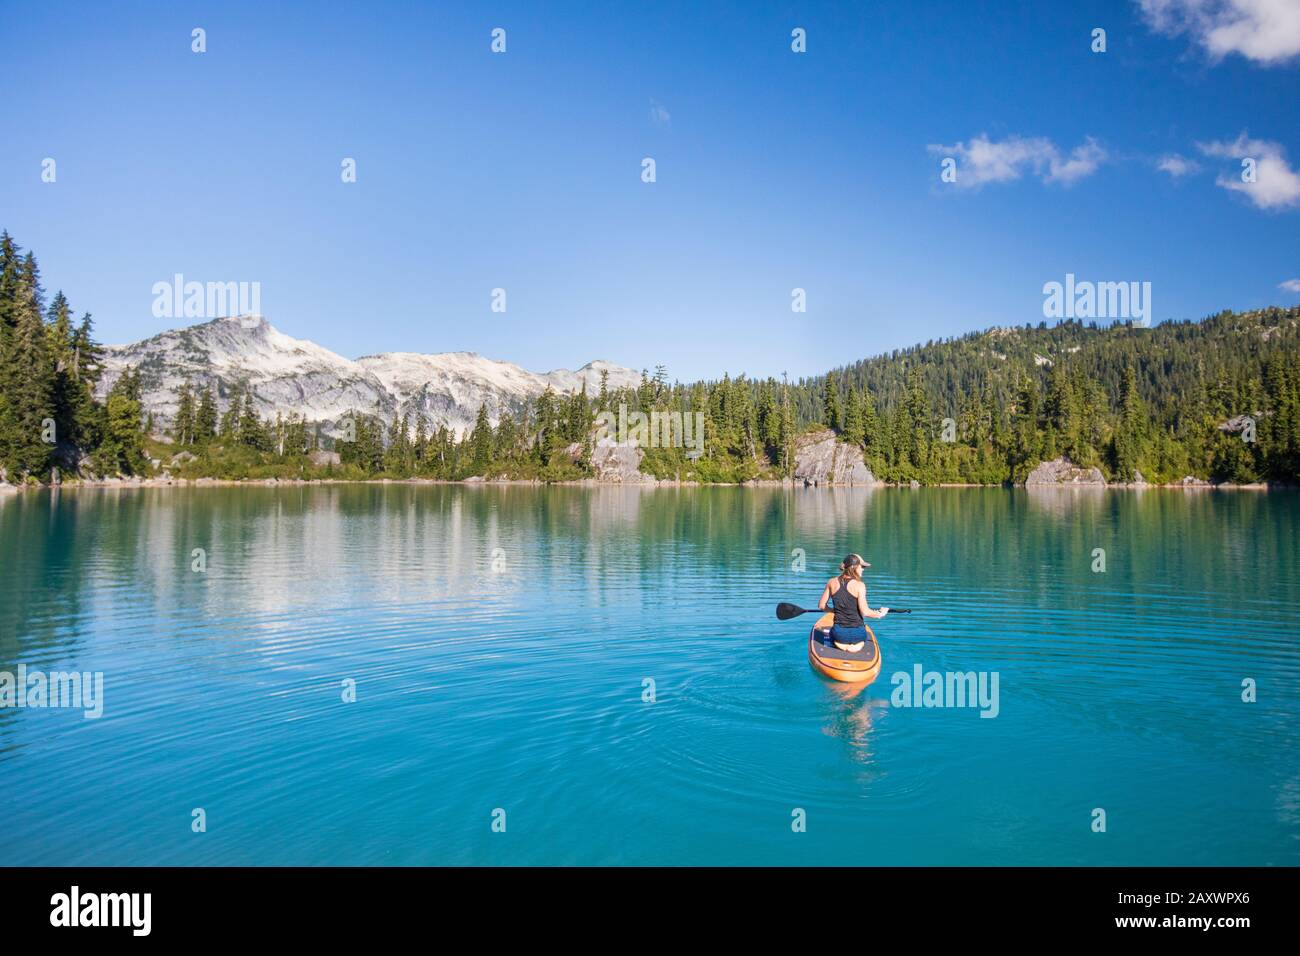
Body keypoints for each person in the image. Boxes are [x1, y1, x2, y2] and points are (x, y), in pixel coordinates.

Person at [817, 553, 888, 651]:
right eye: (862, 567)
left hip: (839, 634)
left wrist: (834, 610)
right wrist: (880, 613)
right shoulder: (860, 585)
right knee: (859, 637)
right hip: (858, 634)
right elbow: (865, 612)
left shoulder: (831, 582)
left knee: (834, 634)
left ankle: (842, 645)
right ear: (855, 567)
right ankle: (855, 646)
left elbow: (821, 606)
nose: (863, 569)